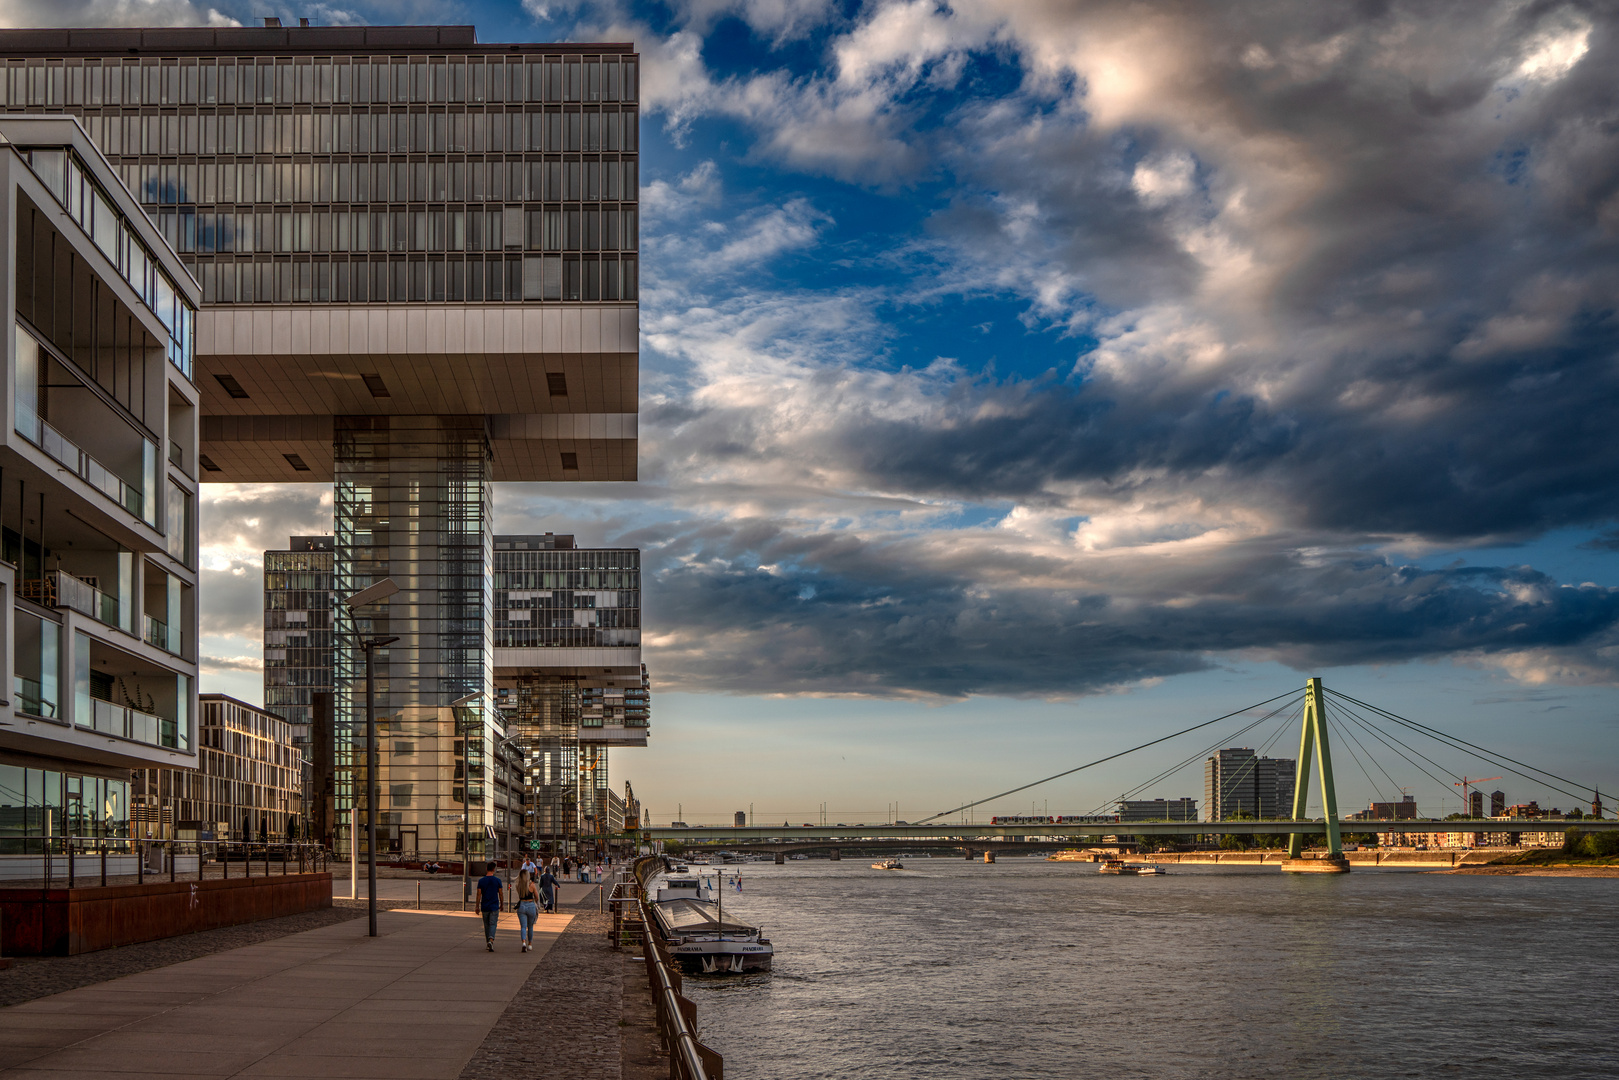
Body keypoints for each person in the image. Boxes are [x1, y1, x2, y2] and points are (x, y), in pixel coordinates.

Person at [476, 864, 504, 951]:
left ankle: (488, 941)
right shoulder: (497, 880)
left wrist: (477, 906)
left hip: (485, 905)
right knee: (493, 924)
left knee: (486, 925)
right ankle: (491, 940)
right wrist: (502, 903)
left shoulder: (481, 881)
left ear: (486, 869)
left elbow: (478, 894)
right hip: (494, 905)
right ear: (494, 869)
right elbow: (500, 893)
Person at [515, 869, 540, 952]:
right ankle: (530, 944)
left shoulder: (518, 885)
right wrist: (535, 901)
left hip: (522, 905)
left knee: (523, 926)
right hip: (530, 905)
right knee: (530, 926)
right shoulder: (532, 885)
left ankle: (523, 942)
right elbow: (537, 896)